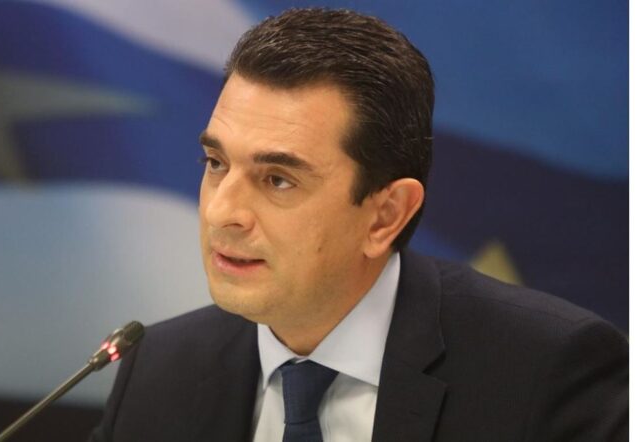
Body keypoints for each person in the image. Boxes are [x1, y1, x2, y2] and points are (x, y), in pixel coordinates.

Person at [91, 8, 627, 442]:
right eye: (216, 163)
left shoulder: (547, 373)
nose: (220, 212)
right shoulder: (158, 371)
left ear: (385, 215)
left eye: (278, 179)